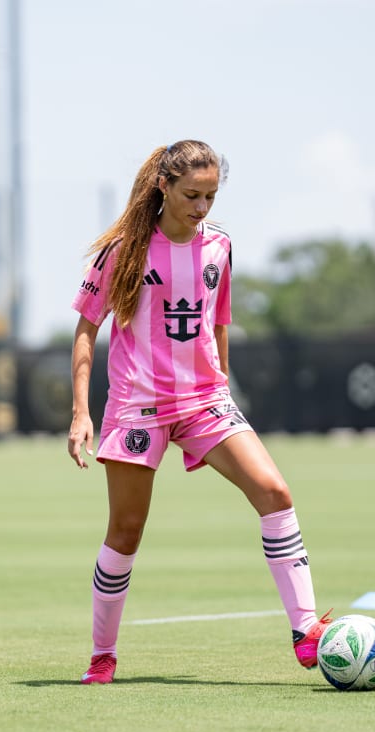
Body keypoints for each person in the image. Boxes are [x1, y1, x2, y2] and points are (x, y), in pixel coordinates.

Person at [66, 139, 331, 685]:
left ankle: (306, 633)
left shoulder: (220, 247)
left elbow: (219, 320)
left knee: (275, 493)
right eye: (192, 194)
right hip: (138, 406)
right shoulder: (123, 250)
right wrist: (80, 413)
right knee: (126, 530)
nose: (202, 206)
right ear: (164, 186)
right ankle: (102, 654)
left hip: (206, 401)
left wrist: (223, 387)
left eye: (211, 196)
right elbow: (87, 330)